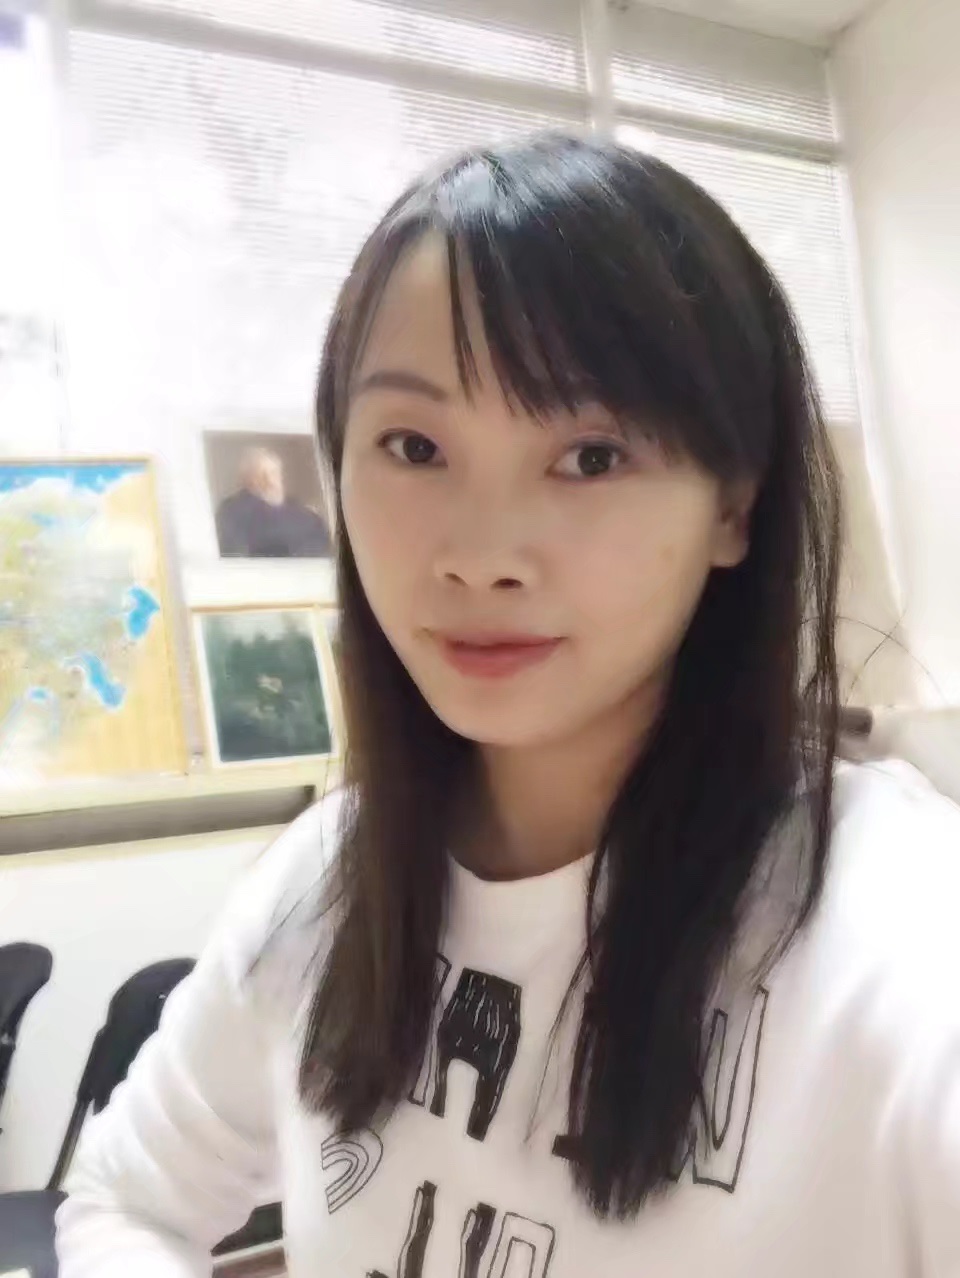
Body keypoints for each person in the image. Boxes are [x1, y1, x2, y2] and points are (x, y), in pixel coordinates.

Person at [56, 135, 960, 1276]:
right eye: (415, 446)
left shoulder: (900, 934)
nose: (482, 556)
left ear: (734, 506)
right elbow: (125, 1202)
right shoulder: (327, 879)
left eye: (592, 457)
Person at [215, 445, 331, 557]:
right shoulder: (232, 511)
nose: (270, 481)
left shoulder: (303, 513)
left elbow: (322, 547)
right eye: (261, 475)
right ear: (247, 480)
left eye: (274, 473)